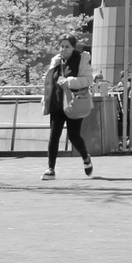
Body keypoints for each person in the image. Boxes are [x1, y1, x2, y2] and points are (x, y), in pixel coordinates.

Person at [41, 33, 94, 180]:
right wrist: (45, 97)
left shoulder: (82, 60)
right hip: (57, 103)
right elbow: (50, 81)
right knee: (54, 135)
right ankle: (51, 169)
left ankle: (86, 158)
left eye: (67, 47)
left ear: (73, 48)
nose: (63, 49)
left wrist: (70, 81)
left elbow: (89, 80)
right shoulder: (56, 61)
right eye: (61, 46)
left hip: (74, 102)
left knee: (74, 135)